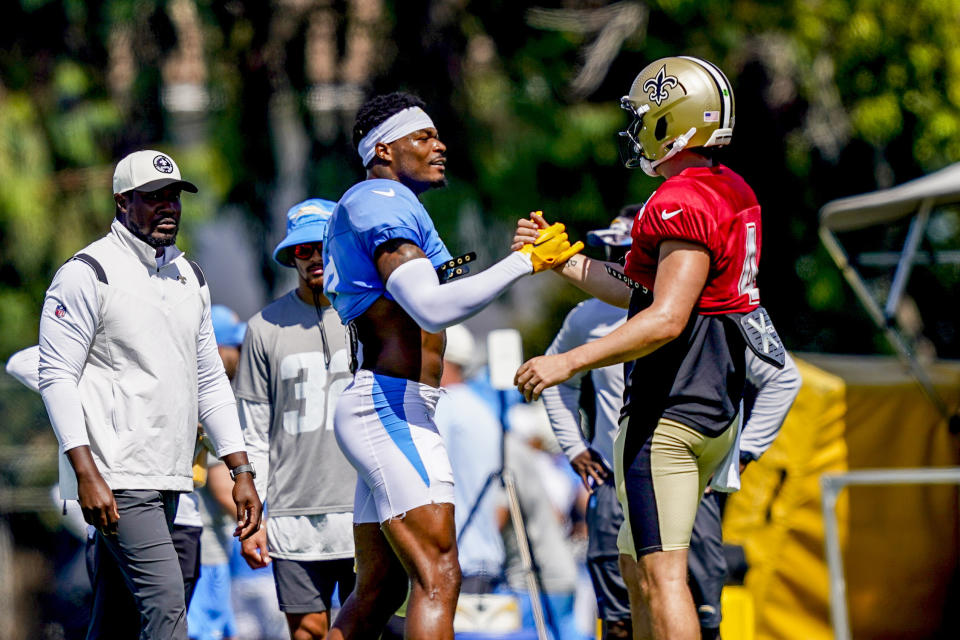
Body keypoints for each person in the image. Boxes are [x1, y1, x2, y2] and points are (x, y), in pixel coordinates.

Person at [514, 57, 784, 640]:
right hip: (712, 402)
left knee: (663, 579)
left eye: (643, 117)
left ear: (672, 121)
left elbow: (664, 318)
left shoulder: (678, 200)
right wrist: (564, 260)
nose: (635, 130)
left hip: (671, 408)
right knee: (638, 571)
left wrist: (568, 362)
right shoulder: (728, 188)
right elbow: (640, 289)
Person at [321, 91, 582, 639]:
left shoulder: (395, 205)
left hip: (394, 407)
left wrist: (520, 257)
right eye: (423, 136)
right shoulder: (376, 199)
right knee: (439, 574)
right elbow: (432, 306)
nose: (440, 145)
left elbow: (446, 298)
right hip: (390, 408)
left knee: (381, 590)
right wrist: (521, 263)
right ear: (384, 150)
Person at [540, 213, 801, 640]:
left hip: (684, 476)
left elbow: (782, 377)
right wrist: (575, 447)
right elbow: (555, 381)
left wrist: (744, 453)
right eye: (621, 255)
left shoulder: (721, 303)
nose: (626, 265)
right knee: (623, 615)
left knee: (695, 607)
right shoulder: (588, 316)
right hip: (614, 479)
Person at [37, 149, 262, 640]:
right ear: (122, 202)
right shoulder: (87, 273)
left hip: (170, 478)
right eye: (153, 198)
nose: (168, 208)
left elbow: (210, 382)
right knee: (166, 607)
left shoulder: (190, 277)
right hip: (117, 479)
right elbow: (55, 375)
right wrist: (85, 470)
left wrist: (240, 468)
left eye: (174, 197)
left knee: (115, 622)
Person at [233, 199, 357, 640]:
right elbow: (253, 428)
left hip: (366, 509)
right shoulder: (264, 326)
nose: (314, 258)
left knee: (371, 626)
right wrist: (254, 520)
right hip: (293, 514)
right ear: (291, 257)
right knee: (307, 632)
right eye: (303, 250)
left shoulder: (370, 313)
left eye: (322, 245)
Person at [433, 324, 506, 595]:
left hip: (453, 560)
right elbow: (501, 503)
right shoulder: (484, 409)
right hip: (487, 559)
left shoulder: (442, 407)